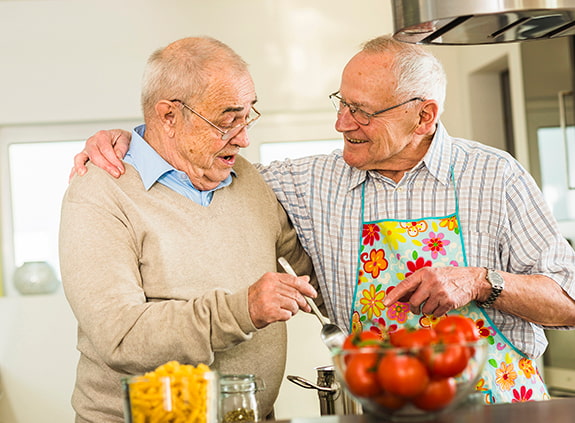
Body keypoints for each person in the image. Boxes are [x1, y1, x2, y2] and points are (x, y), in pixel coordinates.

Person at [73, 34, 575, 405]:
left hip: (502, 410)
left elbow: (570, 302)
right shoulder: (305, 183)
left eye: (361, 111)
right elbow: (194, 158)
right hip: (377, 412)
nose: (341, 124)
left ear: (424, 117)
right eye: (341, 104)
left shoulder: (495, 176)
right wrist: (133, 143)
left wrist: (481, 281)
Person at [60, 36, 318, 423]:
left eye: (248, 115)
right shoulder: (100, 191)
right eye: (227, 120)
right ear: (168, 116)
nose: (245, 138)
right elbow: (122, 336)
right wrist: (243, 308)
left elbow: (310, 275)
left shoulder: (248, 180)